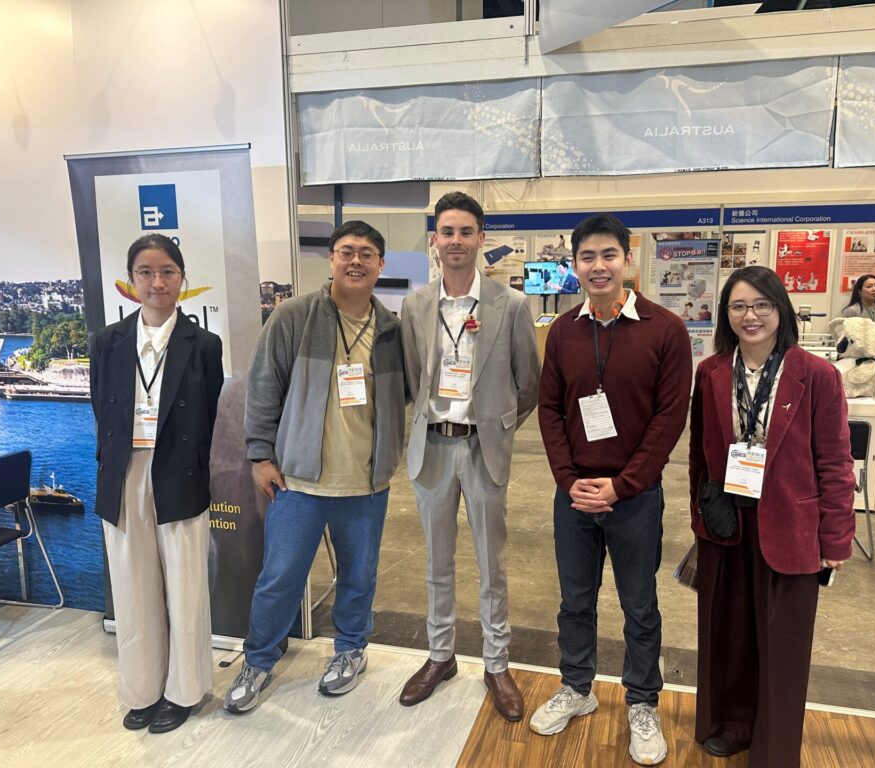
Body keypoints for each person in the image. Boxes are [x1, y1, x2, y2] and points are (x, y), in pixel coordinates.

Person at [225, 221, 405, 713]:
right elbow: (263, 385)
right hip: (298, 480)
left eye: (366, 253)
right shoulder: (295, 316)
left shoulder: (392, 330)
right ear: (331, 259)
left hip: (366, 482)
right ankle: (258, 660)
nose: (356, 261)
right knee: (280, 577)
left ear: (381, 265)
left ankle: (351, 650)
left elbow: (405, 394)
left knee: (359, 576)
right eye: (347, 251)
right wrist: (260, 456)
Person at [533, 214, 692, 766]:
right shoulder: (563, 331)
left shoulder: (665, 329)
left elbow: (670, 418)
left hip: (635, 498)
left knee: (639, 604)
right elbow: (549, 409)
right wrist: (568, 480)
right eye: (587, 257)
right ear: (574, 265)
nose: (598, 266)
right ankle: (577, 687)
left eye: (608, 255)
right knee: (574, 601)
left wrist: (623, 486)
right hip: (575, 495)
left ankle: (642, 701)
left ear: (627, 259)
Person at [688, 265, 855, 766]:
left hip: (791, 527)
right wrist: (700, 516)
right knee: (730, 634)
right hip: (728, 525)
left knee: (783, 645)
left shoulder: (816, 375)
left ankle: (774, 747)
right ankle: (734, 725)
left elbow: (835, 462)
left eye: (762, 305)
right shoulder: (712, 372)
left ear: (781, 310)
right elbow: (699, 456)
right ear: (726, 314)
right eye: (739, 306)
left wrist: (836, 539)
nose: (751, 316)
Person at [399, 191, 540, 721]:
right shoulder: (415, 306)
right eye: (447, 231)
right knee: (436, 562)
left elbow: (529, 384)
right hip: (433, 448)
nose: (455, 241)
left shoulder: (512, 305)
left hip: (484, 449)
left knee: (491, 563)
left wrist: (498, 427)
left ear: (482, 238)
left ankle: (496, 663)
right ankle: (440, 656)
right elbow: (414, 377)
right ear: (434, 240)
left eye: (465, 231)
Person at [89, 233, 224, 733]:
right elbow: (101, 408)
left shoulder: (203, 344)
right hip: (124, 474)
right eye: (145, 272)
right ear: (131, 281)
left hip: (179, 473)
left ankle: (183, 691)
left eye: (167, 271)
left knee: (186, 589)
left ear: (182, 278)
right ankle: (143, 690)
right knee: (132, 588)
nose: (157, 282)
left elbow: (210, 416)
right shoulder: (107, 342)